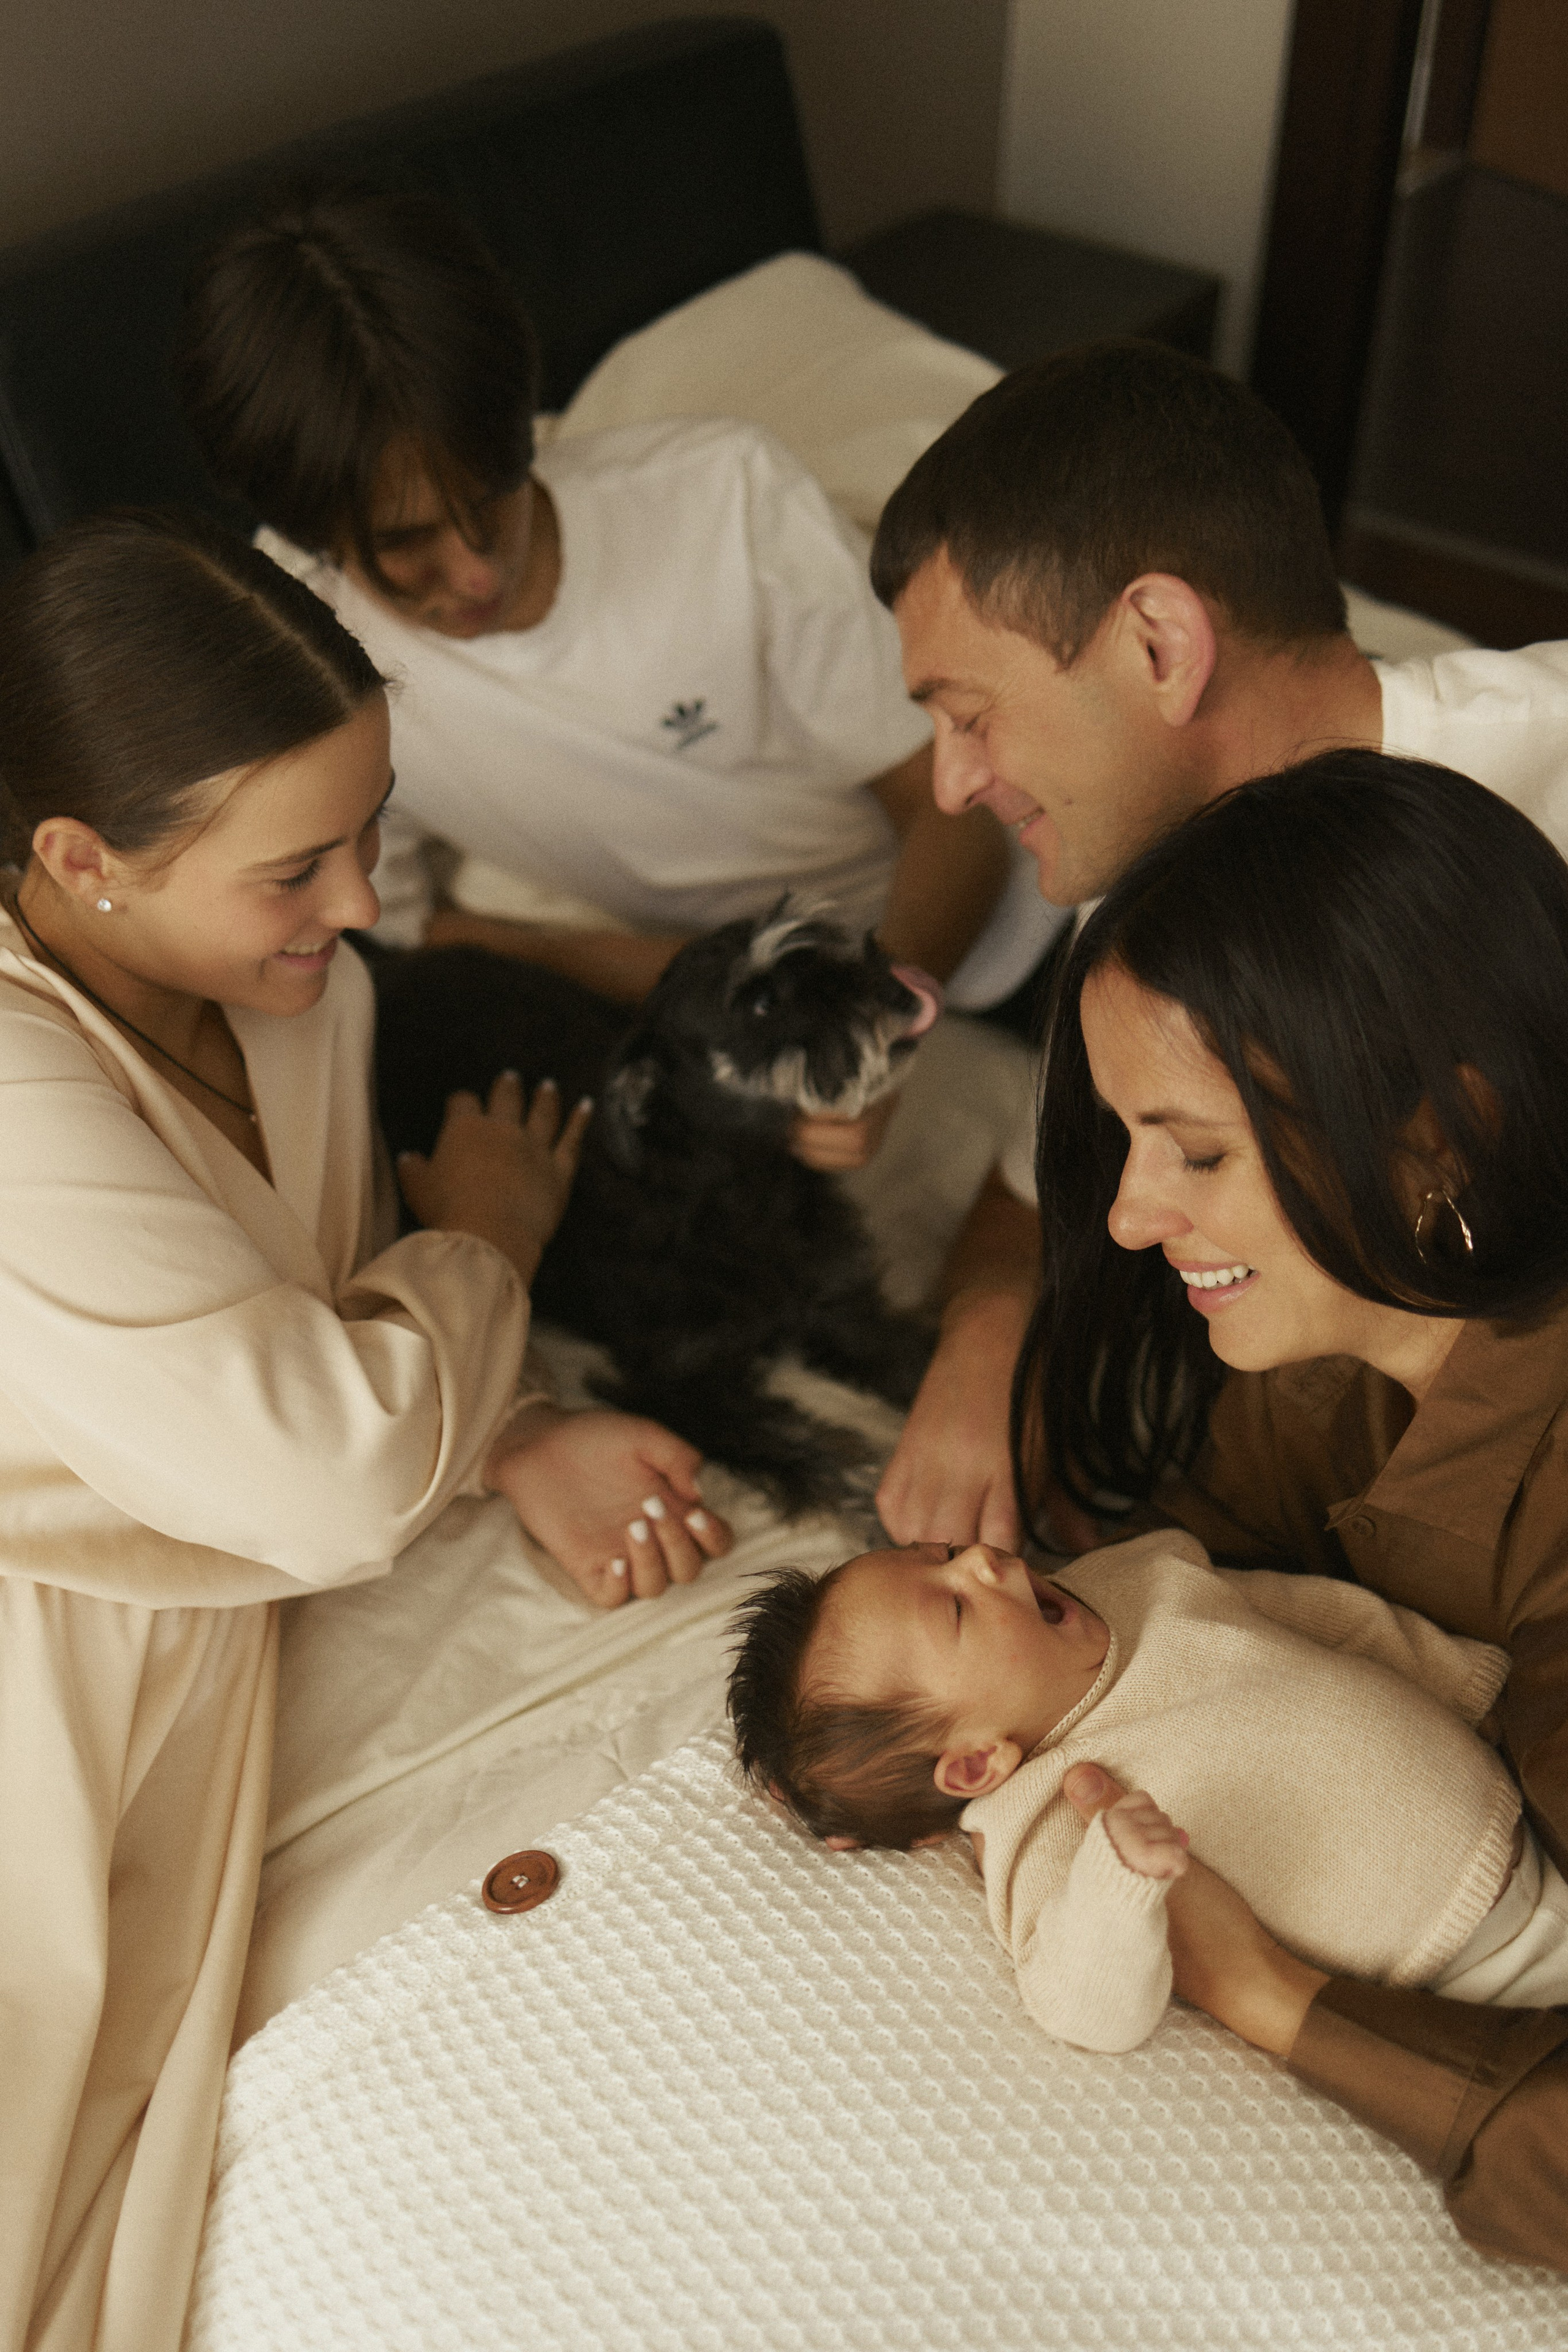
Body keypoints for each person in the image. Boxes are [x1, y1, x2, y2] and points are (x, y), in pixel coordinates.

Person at [0, 510, 733, 2350]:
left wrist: (508, 1426)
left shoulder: (309, 1005)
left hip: (199, 1639)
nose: (361, 901)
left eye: (372, 832)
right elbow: (325, 1475)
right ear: (81, 861)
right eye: (296, 867)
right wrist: (486, 1241)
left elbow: (306, 1338)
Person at [866, 335, 1568, 1554]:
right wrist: (987, 1345)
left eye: (968, 715)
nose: (949, 785)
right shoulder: (1141, 890)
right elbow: (1057, 1191)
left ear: (1159, 644)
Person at [1012, 750, 1568, 2270]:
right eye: (1129, 1143)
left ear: (1436, 1134)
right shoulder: (1340, 1358)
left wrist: (1267, 1994)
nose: (1131, 1216)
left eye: (1191, 1151)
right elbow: (1179, 1581)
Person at [728, 1528, 1566, 2054]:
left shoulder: (1141, 1578)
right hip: (1479, 1965)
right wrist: (1118, 1881)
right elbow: (1083, 2008)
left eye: (944, 1556)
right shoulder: (1046, 1816)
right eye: (955, 1610)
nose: (985, 1562)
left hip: (1533, 1797)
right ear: (978, 1765)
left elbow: (1330, 1621)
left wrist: (1478, 1687)